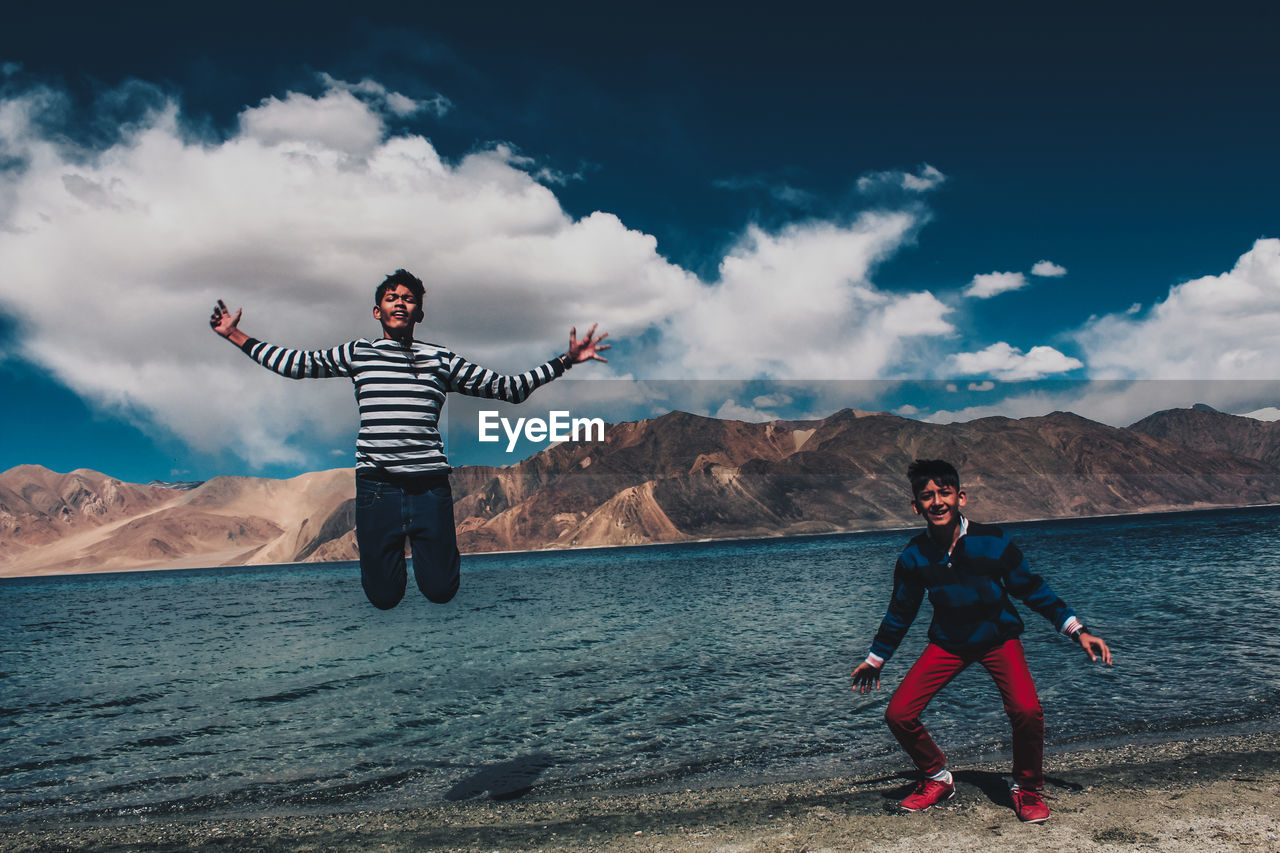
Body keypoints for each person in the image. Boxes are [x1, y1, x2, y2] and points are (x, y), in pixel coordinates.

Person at [209, 268, 608, 610]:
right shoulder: (358, 353)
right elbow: (295, 365)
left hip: (428, 487)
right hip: (377, 488)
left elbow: (509, 388)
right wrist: (235, 335)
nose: (400, 302)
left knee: (440, 590)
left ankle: (430, 552)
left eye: (409, 298)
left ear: (420, 311)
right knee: (383, 597)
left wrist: (565, 361)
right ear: (377, 310)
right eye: (391, 297)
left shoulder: (441, 360)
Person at [850, 459, 1111, 823]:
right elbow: (900, 612)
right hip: (949, 643)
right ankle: (937, 778)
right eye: (927, 496)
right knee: (899, 713)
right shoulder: (913, 556)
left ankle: (1028, 788)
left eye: (944, 493)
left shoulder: (993, 541)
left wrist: (1078, 631)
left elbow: (1031, 589)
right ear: (916, 506)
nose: (937, 502)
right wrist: (876, 659)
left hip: (997, 639)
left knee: (1026, 711)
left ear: (961, 498)